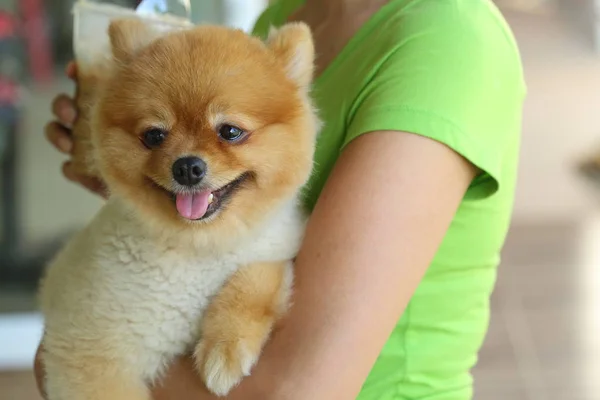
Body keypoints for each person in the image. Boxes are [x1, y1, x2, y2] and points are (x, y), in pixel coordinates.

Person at [37, 0, 526, 398]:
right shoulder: (291, 12)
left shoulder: (446, 45)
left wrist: (84, 354)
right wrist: (138, 183)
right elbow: (255, 213)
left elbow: (294, 390)